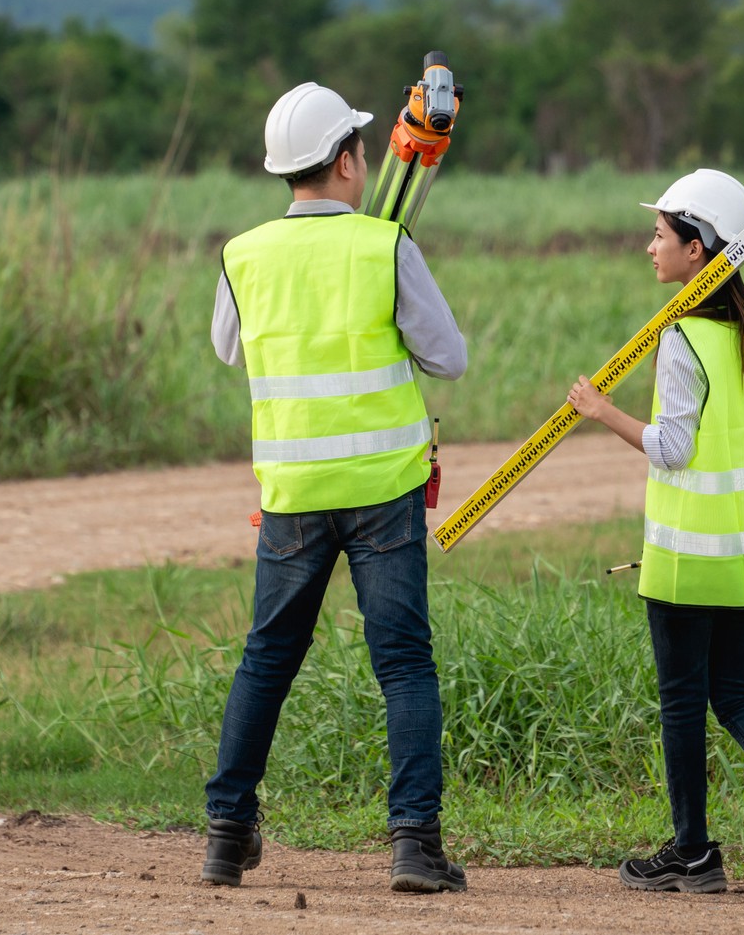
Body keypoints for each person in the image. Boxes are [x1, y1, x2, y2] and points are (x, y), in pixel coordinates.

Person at [200, 82, 470, 894]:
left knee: (267, 660)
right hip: (383, 488)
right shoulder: (383, 247)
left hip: (291, 494)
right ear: (352, 160)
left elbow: (228, 348)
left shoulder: (242, 254)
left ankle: (225, 832)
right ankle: (414, 846)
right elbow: (448, 357)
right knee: (404, 664)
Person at [565, 168, 744, 899]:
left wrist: (600, 410)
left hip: (690, 557)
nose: (649, 246)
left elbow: (672, 448)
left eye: (661, 234)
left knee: (683, 698)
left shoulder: (683, 337)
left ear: (700, 247)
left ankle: (692, 852)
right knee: (737, 693)